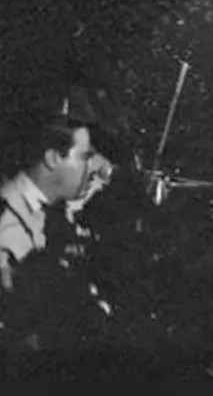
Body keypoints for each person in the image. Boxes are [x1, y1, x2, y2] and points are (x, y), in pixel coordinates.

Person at [0, 85, 125, 354]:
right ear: (54, 158)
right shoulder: (7, 220)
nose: (92, 168)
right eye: (85, 157)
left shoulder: (51, 216)